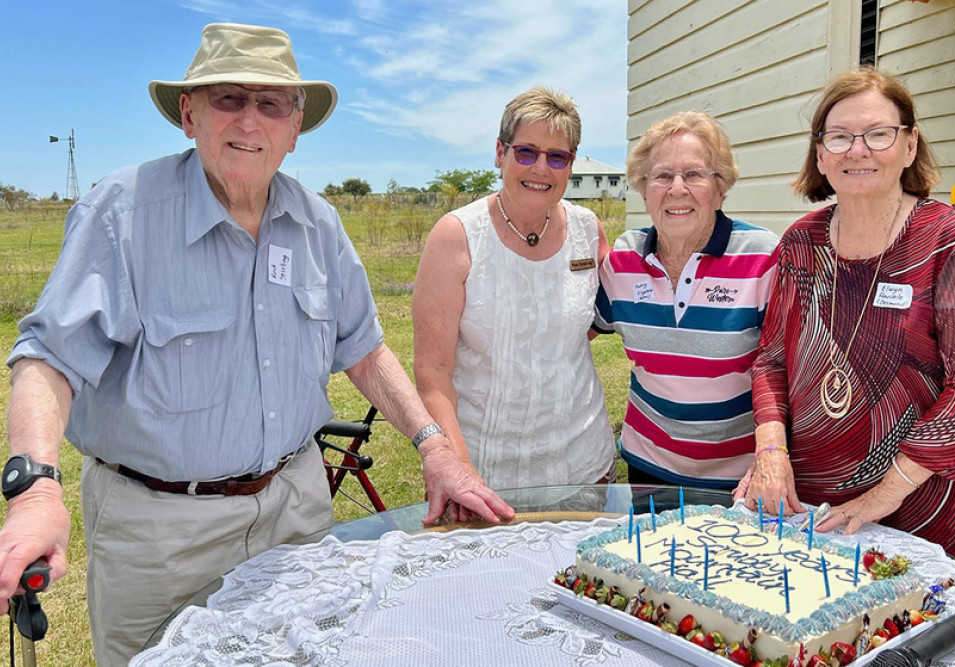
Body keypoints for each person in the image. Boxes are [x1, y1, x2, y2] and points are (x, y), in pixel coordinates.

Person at [0, 23, 513, 665]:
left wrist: (434, 448)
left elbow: (364, 348)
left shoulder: (317, 223)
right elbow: (47, 360)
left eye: (271, 104)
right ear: (189, 115)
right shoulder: (123, 214)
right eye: (228, 99)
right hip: (160, 528)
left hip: (296, 506)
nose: (249, 120)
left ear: (295, 130)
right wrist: (37, 489)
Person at [736, 68, 955, 578]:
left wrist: (883, 495)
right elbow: (770, 359)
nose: (857, 150)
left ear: (909, 144)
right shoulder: (801, 244)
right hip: (817, 508)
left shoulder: (952, 241)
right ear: (820, 154)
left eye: (878, 134)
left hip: (928, 506)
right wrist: (770, 450)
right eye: (838, 136)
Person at [412, 86, 615, 496]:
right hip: (484, 472)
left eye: (557, 157)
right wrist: (457, 465)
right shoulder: (458, 236)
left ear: (570, 165)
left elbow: (597, 317)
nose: (541, 168)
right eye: (527, 152)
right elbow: (432, 372)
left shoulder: (587, 230)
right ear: (500, 153)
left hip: (583, 464)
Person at [593, 111, 779, 490]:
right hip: (649, 468)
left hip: (741, 477)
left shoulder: (762, 258)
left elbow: (788, 371)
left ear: (720, 188)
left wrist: (773, 455)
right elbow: (573, 334)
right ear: (644, 191)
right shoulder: (622, 262)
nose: (677, 188)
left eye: (694, 174)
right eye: (662, 176)